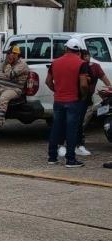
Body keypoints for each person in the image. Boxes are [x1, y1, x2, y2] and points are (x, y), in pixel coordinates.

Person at [45, 38, 88, 167]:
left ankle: (52, 157)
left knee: (56, 128)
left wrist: (56, 90)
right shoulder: (81, 63)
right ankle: (70, 159)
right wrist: (83, 96)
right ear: (78, 51)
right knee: (71, 130)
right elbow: (84, 85)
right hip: (73, 101)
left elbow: (48, 81)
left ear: (66, 48)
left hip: (58, 100)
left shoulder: (55, 62)